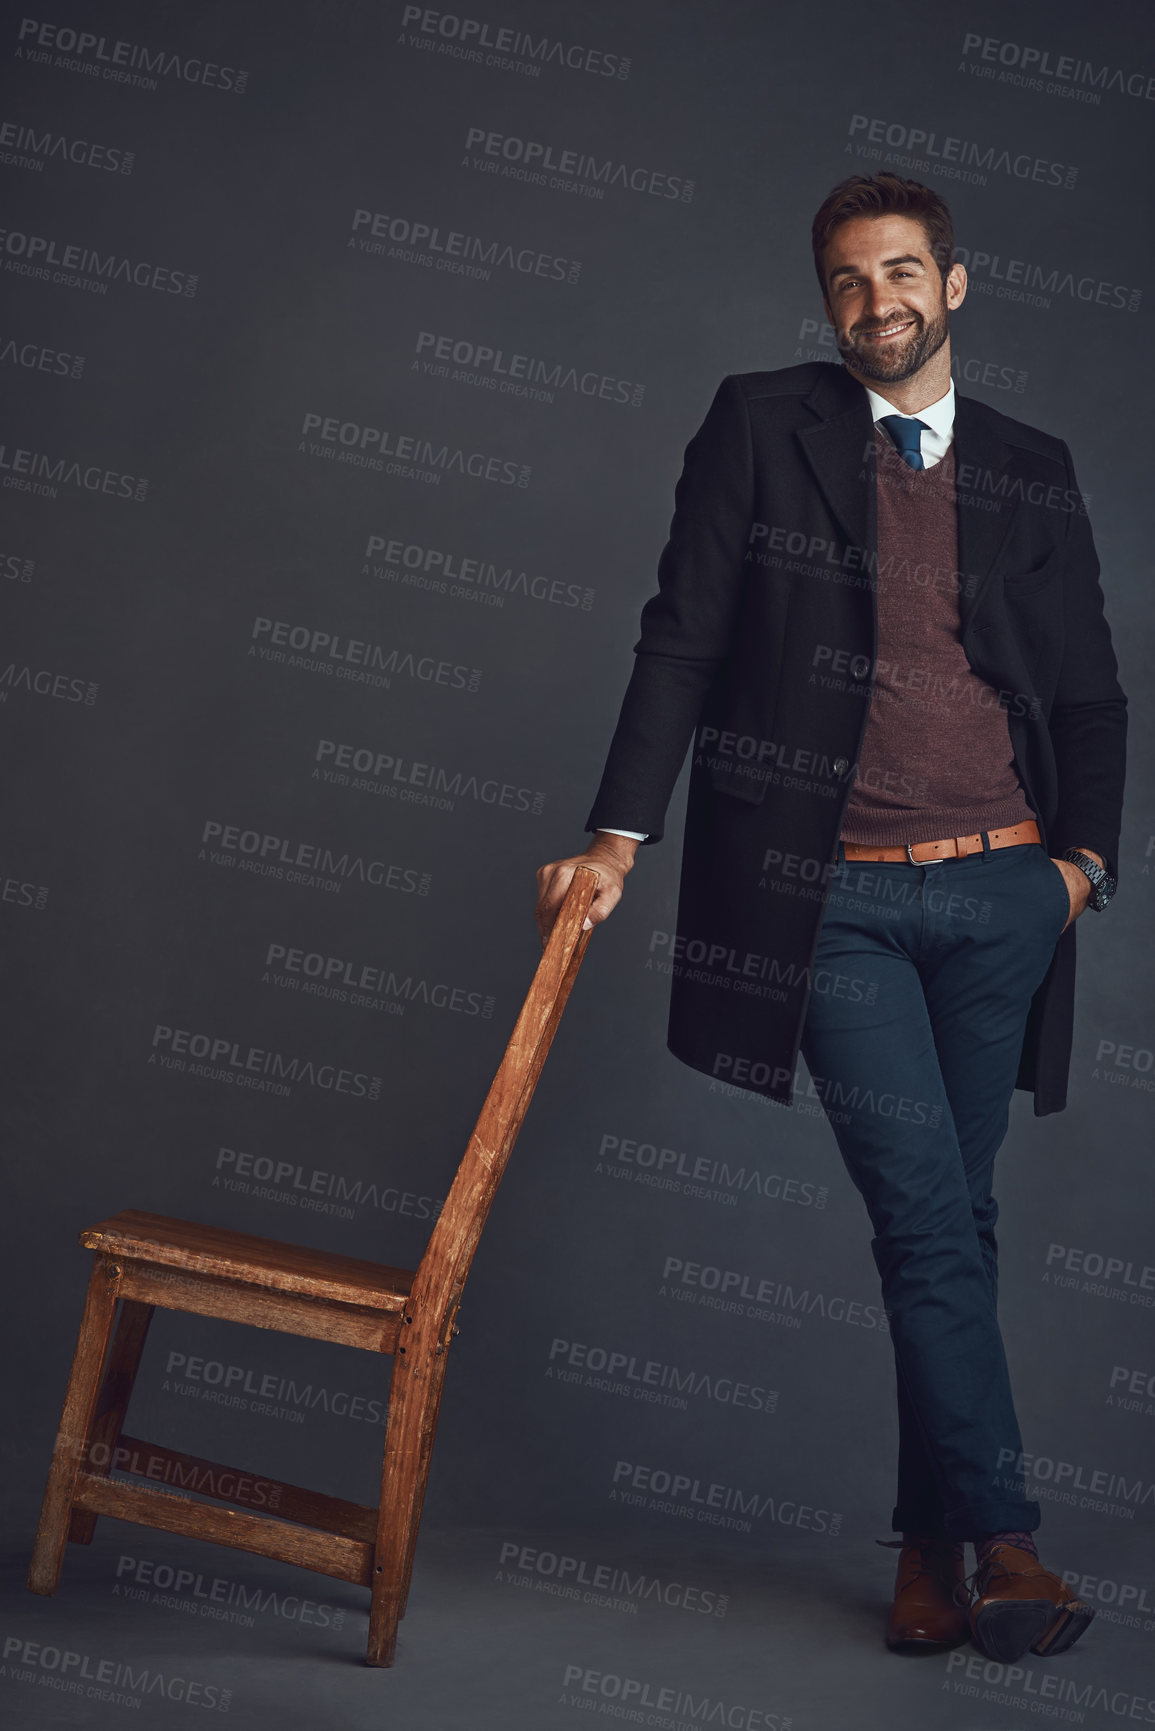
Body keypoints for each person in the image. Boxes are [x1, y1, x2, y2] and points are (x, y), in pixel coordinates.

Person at [534, 172, 1126, 1663]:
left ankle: (927, 1554)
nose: (880, 304)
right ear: (828, 302)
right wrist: (615, 839)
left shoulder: (1032, 466)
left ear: (957, 286)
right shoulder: (761, 428)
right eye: (852, 283)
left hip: (1006, 896)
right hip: (839, 906)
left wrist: (1081, 873)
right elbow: (680, 637)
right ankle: (1010, 1544)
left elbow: (1093, 693)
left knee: (961, 1227)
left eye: (905, 275)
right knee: (928, 1218)